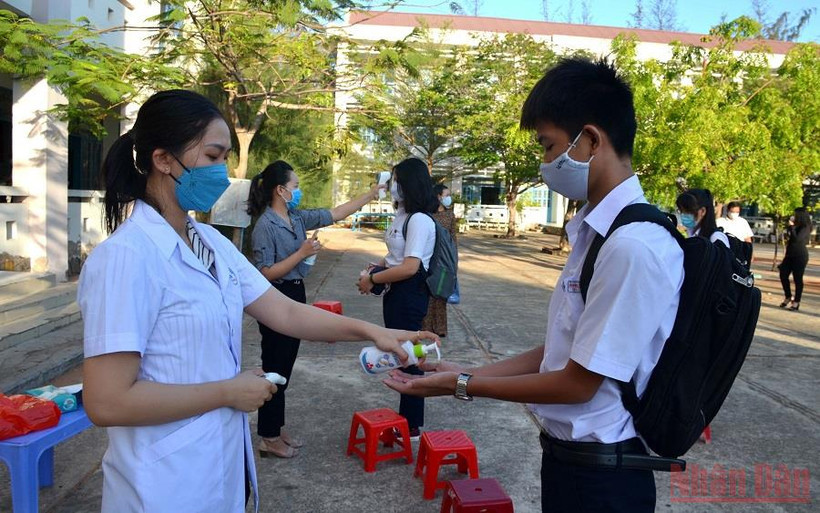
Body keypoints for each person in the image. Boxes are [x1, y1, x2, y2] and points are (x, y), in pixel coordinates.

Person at [78, 90, 436, 513]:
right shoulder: (125, 258)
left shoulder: (209, 242)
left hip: (218, 467)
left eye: (226, 157)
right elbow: (107, 401)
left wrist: (373, 331)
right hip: (162, 484)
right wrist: (227, 391)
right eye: (212, 156)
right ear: (163, 160)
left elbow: (283, 310)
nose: (222, 171)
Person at [384, 58, 684, 513]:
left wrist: (461, 386)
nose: (545, 163)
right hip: (571, 461)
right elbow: (557, 353)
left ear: (590, 140)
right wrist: (468, 370)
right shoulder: (598, 231)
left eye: (548, 146)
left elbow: (577, 385)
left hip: (604, 477)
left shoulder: (632, 246)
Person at [246, 160, 384, 458]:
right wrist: (302, 253)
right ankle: (267, 437)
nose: (299, 191)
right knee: (275, 366)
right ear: (280, 190)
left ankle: (276, 428)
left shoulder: (295, 218)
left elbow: (335, 213)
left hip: (295, 292)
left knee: (285, 366)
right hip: (275, 296)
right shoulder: (264, 226)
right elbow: (265, 273)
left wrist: (371, 194)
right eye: (295, 187)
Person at [357, 157, 438, 439]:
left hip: (409, 292)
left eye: (396, 181)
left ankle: (411, 425)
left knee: (409, 357)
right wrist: (373, 269)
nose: (392, 186)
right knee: (400, 354)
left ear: (410, 184)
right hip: (395, 291)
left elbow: (410, 266)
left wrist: (373, 279)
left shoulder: (420, 220)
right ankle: (405, 420)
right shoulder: (402, 215)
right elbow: (394, 257)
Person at [421, 183, 458, 337]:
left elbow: (453, 239)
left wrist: (454, 262)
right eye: (446, 195)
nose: (449, 198)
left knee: (441, 293)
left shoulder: (450, 216)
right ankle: (426, 327)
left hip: (445, 260)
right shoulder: (426, 215)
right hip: (429, 259)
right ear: (438, 196)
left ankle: (440, 328)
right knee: (428, 292)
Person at [779, 207, 812, 311]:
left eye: (796, 214)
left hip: (800, 256)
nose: (794, 216)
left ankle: (796, 302)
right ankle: (788, 296)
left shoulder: (805, 227)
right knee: (783, 274)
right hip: (789, 255)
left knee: (797, 278)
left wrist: (792, 227)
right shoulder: (794, 226)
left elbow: (797, 239)